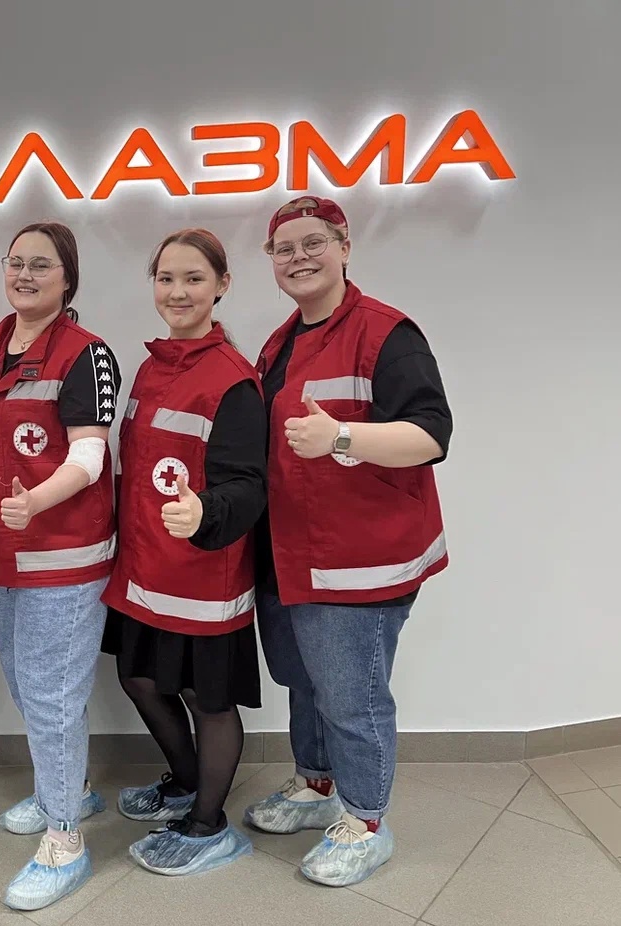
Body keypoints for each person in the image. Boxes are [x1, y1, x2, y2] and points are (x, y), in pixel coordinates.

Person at [243, 195, 453, 887]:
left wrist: (341, 437)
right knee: (303, 681)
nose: (298, 258)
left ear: (343, 247)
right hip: (290, 553)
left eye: (313, 243)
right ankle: (318, 783)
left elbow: (430, 436)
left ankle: (366, 821)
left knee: (351, 698)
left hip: (360, 560)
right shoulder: (281, 341)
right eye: (284, 248)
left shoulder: (386, 333)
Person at [0, 221, 121, 912]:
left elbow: (89, 454)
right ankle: (71, 790)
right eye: (16, 262)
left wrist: (36, 501)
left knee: (52, 695)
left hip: (64, 556)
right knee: (29, 687)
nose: (25, 275)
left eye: (41, 265)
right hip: (5, 554)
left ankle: (64, 839)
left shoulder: (87, 354)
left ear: (67, 278)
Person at [101, 228, 267, 877]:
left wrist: (205, 513)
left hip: (203, 574)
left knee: (208, 700)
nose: (177, 291)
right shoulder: (150, 368)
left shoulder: (233, 381)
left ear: (221, 285)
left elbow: (248, 486)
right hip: (143, 567)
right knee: (138, 678)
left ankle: (208, 824)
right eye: (166, 278)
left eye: (193, 278)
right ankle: (186, 780)